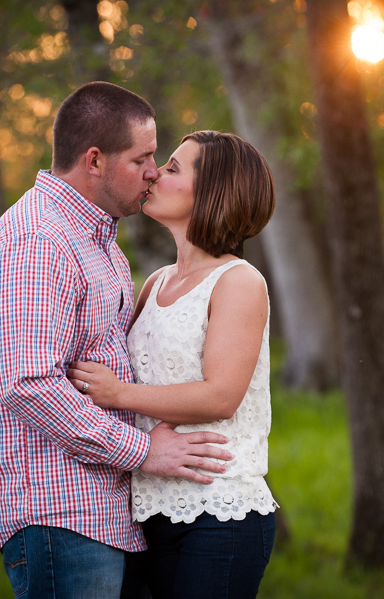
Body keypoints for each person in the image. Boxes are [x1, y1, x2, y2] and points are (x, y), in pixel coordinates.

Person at [0, 83, 233, 599]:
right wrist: (142, 450)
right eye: (143, 158)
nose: (154, 171)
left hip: (100, 510)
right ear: (94, 160)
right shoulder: (38, 242)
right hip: (56, 514)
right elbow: (28, 384)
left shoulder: (97, 241)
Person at [67, 130, 279, 599]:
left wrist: (119, 394)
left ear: (212, 194)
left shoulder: (239, 281)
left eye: (174, 168)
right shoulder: (156, 281)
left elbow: (221, 395)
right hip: (145, 511)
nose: (155, 173)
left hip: (219, 514)